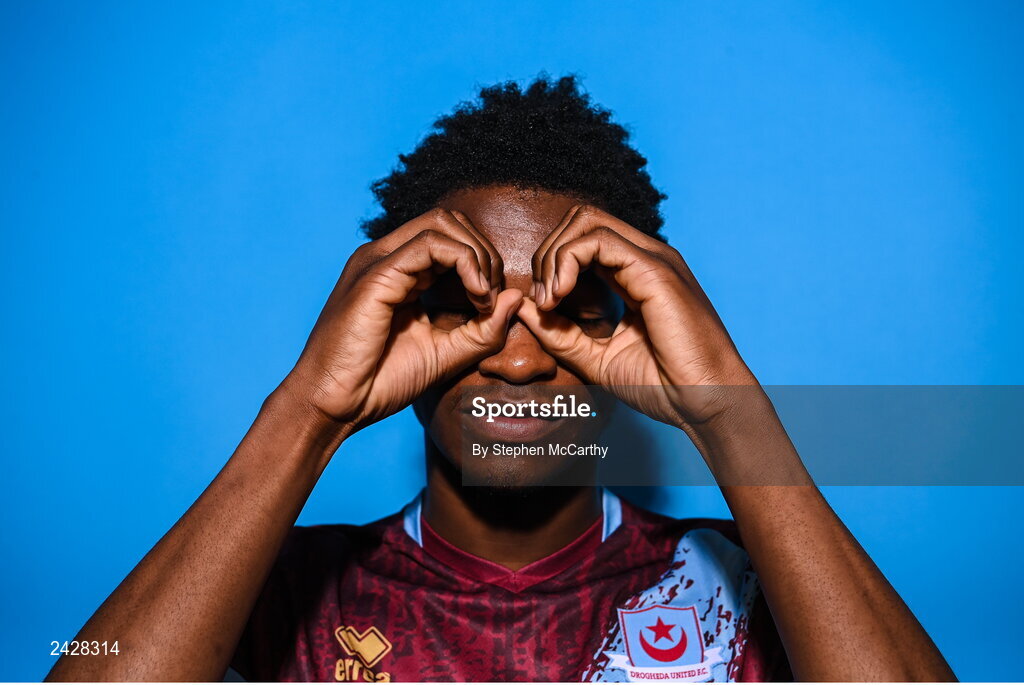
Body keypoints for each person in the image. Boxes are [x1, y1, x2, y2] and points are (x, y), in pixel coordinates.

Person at [47, 76, 954, 683]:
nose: (519, 360)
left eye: (571, 306)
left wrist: (729, 413)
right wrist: (307, 413)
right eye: (461, 302)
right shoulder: (278, 588)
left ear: (638, 327)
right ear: (395, 323)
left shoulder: (742, 585)